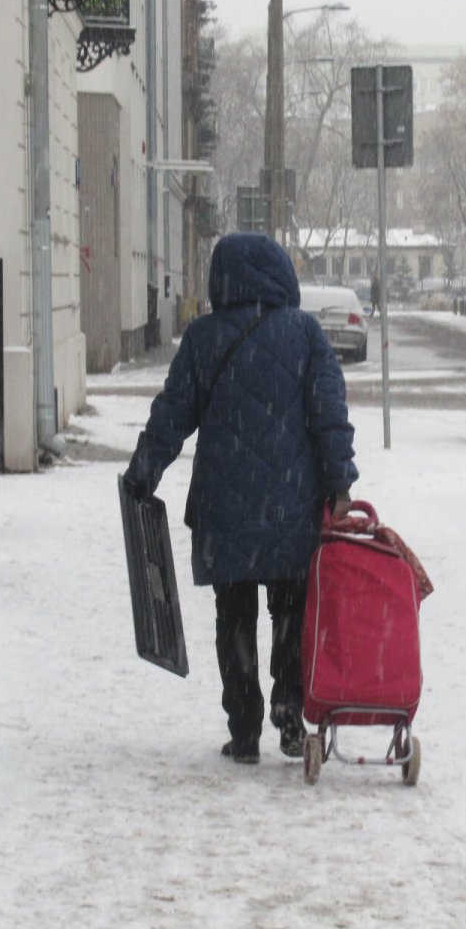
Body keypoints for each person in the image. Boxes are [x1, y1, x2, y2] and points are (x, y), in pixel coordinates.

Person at [123, 233, 358, 765]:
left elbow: (172, 414)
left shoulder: (204, 338)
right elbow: (329, 415)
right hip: (291, 504)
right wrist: (339, 482)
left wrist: (144, 472)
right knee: (291, 609)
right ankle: (288, 706)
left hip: (223, 506)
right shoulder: (305, 334)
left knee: (233, 615)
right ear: (281, 275)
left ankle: (245, 728)